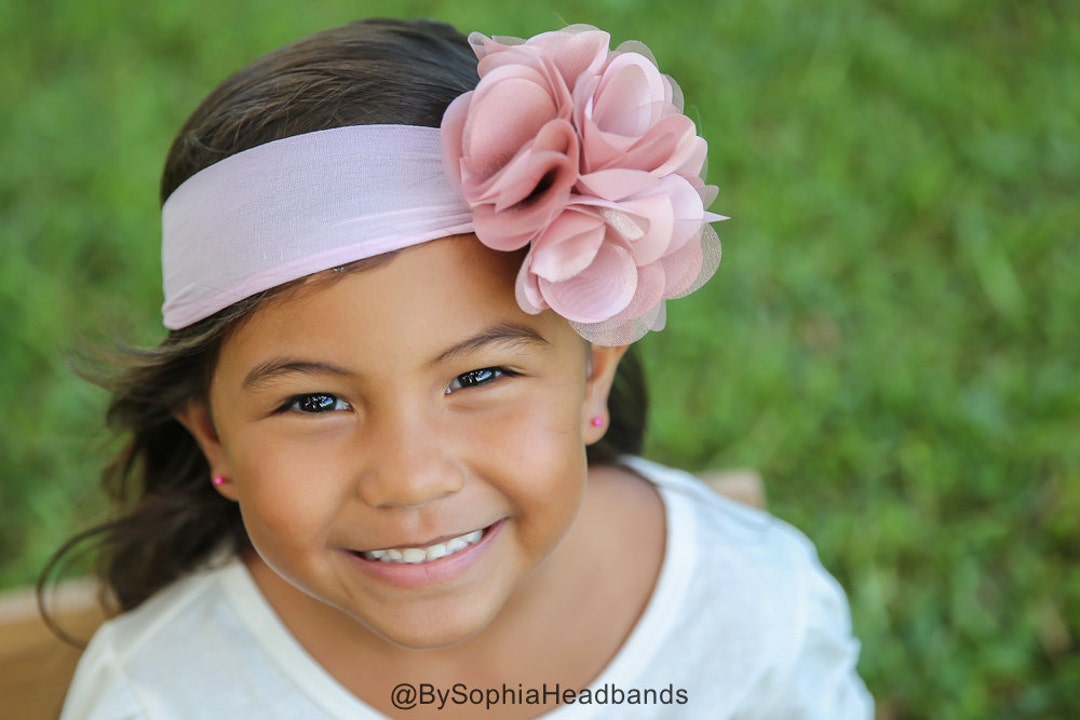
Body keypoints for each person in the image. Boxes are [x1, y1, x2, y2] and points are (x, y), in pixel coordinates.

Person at [52, 17, 873, 719]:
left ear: (593, 376)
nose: (409, 478)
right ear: (214, 437)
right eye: (313, 401)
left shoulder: (756, 613)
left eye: (479, 378)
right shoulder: (161, 696)